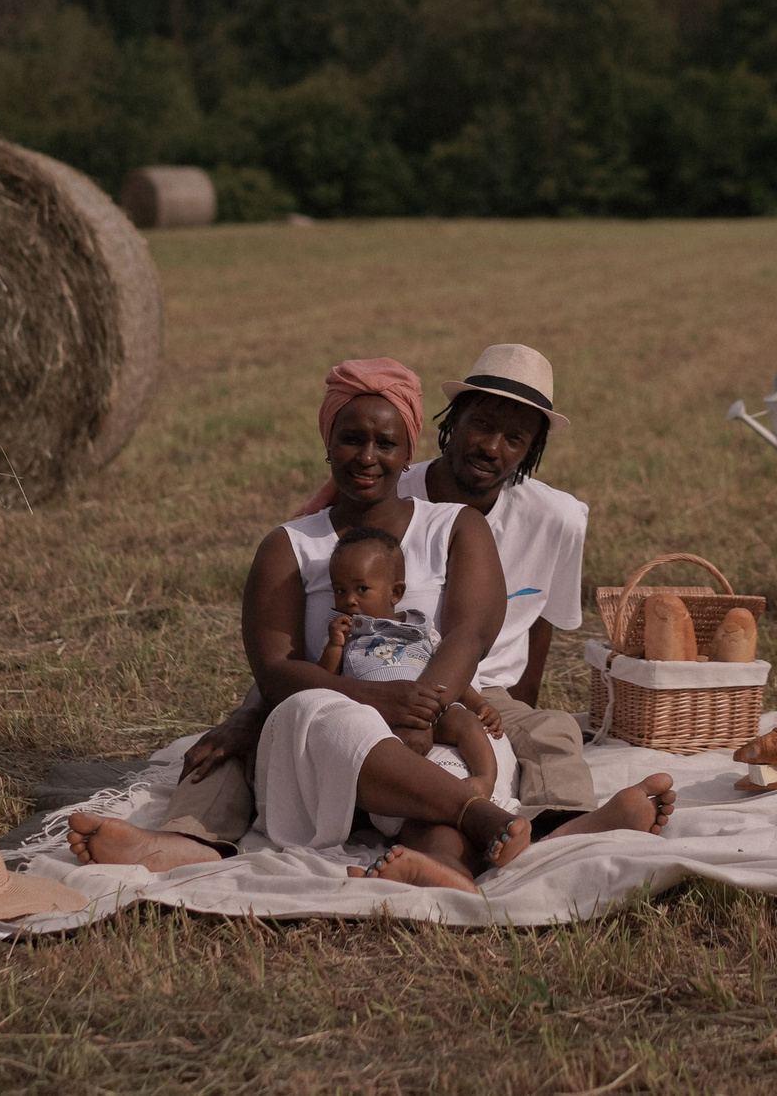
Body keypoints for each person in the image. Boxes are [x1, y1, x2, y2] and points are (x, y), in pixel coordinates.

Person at [68, 359, 674, 894]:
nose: (366, 457)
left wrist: (425, 707)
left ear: (408, 452)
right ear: (327, 443)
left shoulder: (455, 526)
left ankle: (462, 855)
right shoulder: (289, 545)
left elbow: (470, 635)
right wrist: (379, 702)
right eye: (351, 439)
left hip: (441, 697)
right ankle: (186, 842)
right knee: (243, 740)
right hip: (332, 700)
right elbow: (276, 669)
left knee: (494, 743)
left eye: (385, 443)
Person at [397, 343, 599, 826]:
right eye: (482, 424)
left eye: (515, 438)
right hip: (396, 678)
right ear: (454, 419)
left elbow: (542, 621)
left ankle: (565, 832)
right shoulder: (395, 494)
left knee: (554, 731)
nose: (492, 447)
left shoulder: (558, 518)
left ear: (532, 450)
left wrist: (516, 722)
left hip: (488, 695)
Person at [316, 526, 501, 796]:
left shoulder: (421, 630)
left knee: (465, 721)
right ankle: (413, 790)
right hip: (377, 716)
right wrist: (334, 646)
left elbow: (452, 674)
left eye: (362, 589)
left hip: (431, 710)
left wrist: (480, 704)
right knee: (380, 746)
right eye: (340, 591)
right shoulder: (345, 635)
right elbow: (324, 681)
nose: (350, 600)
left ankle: (485, 778)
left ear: (395, 592)